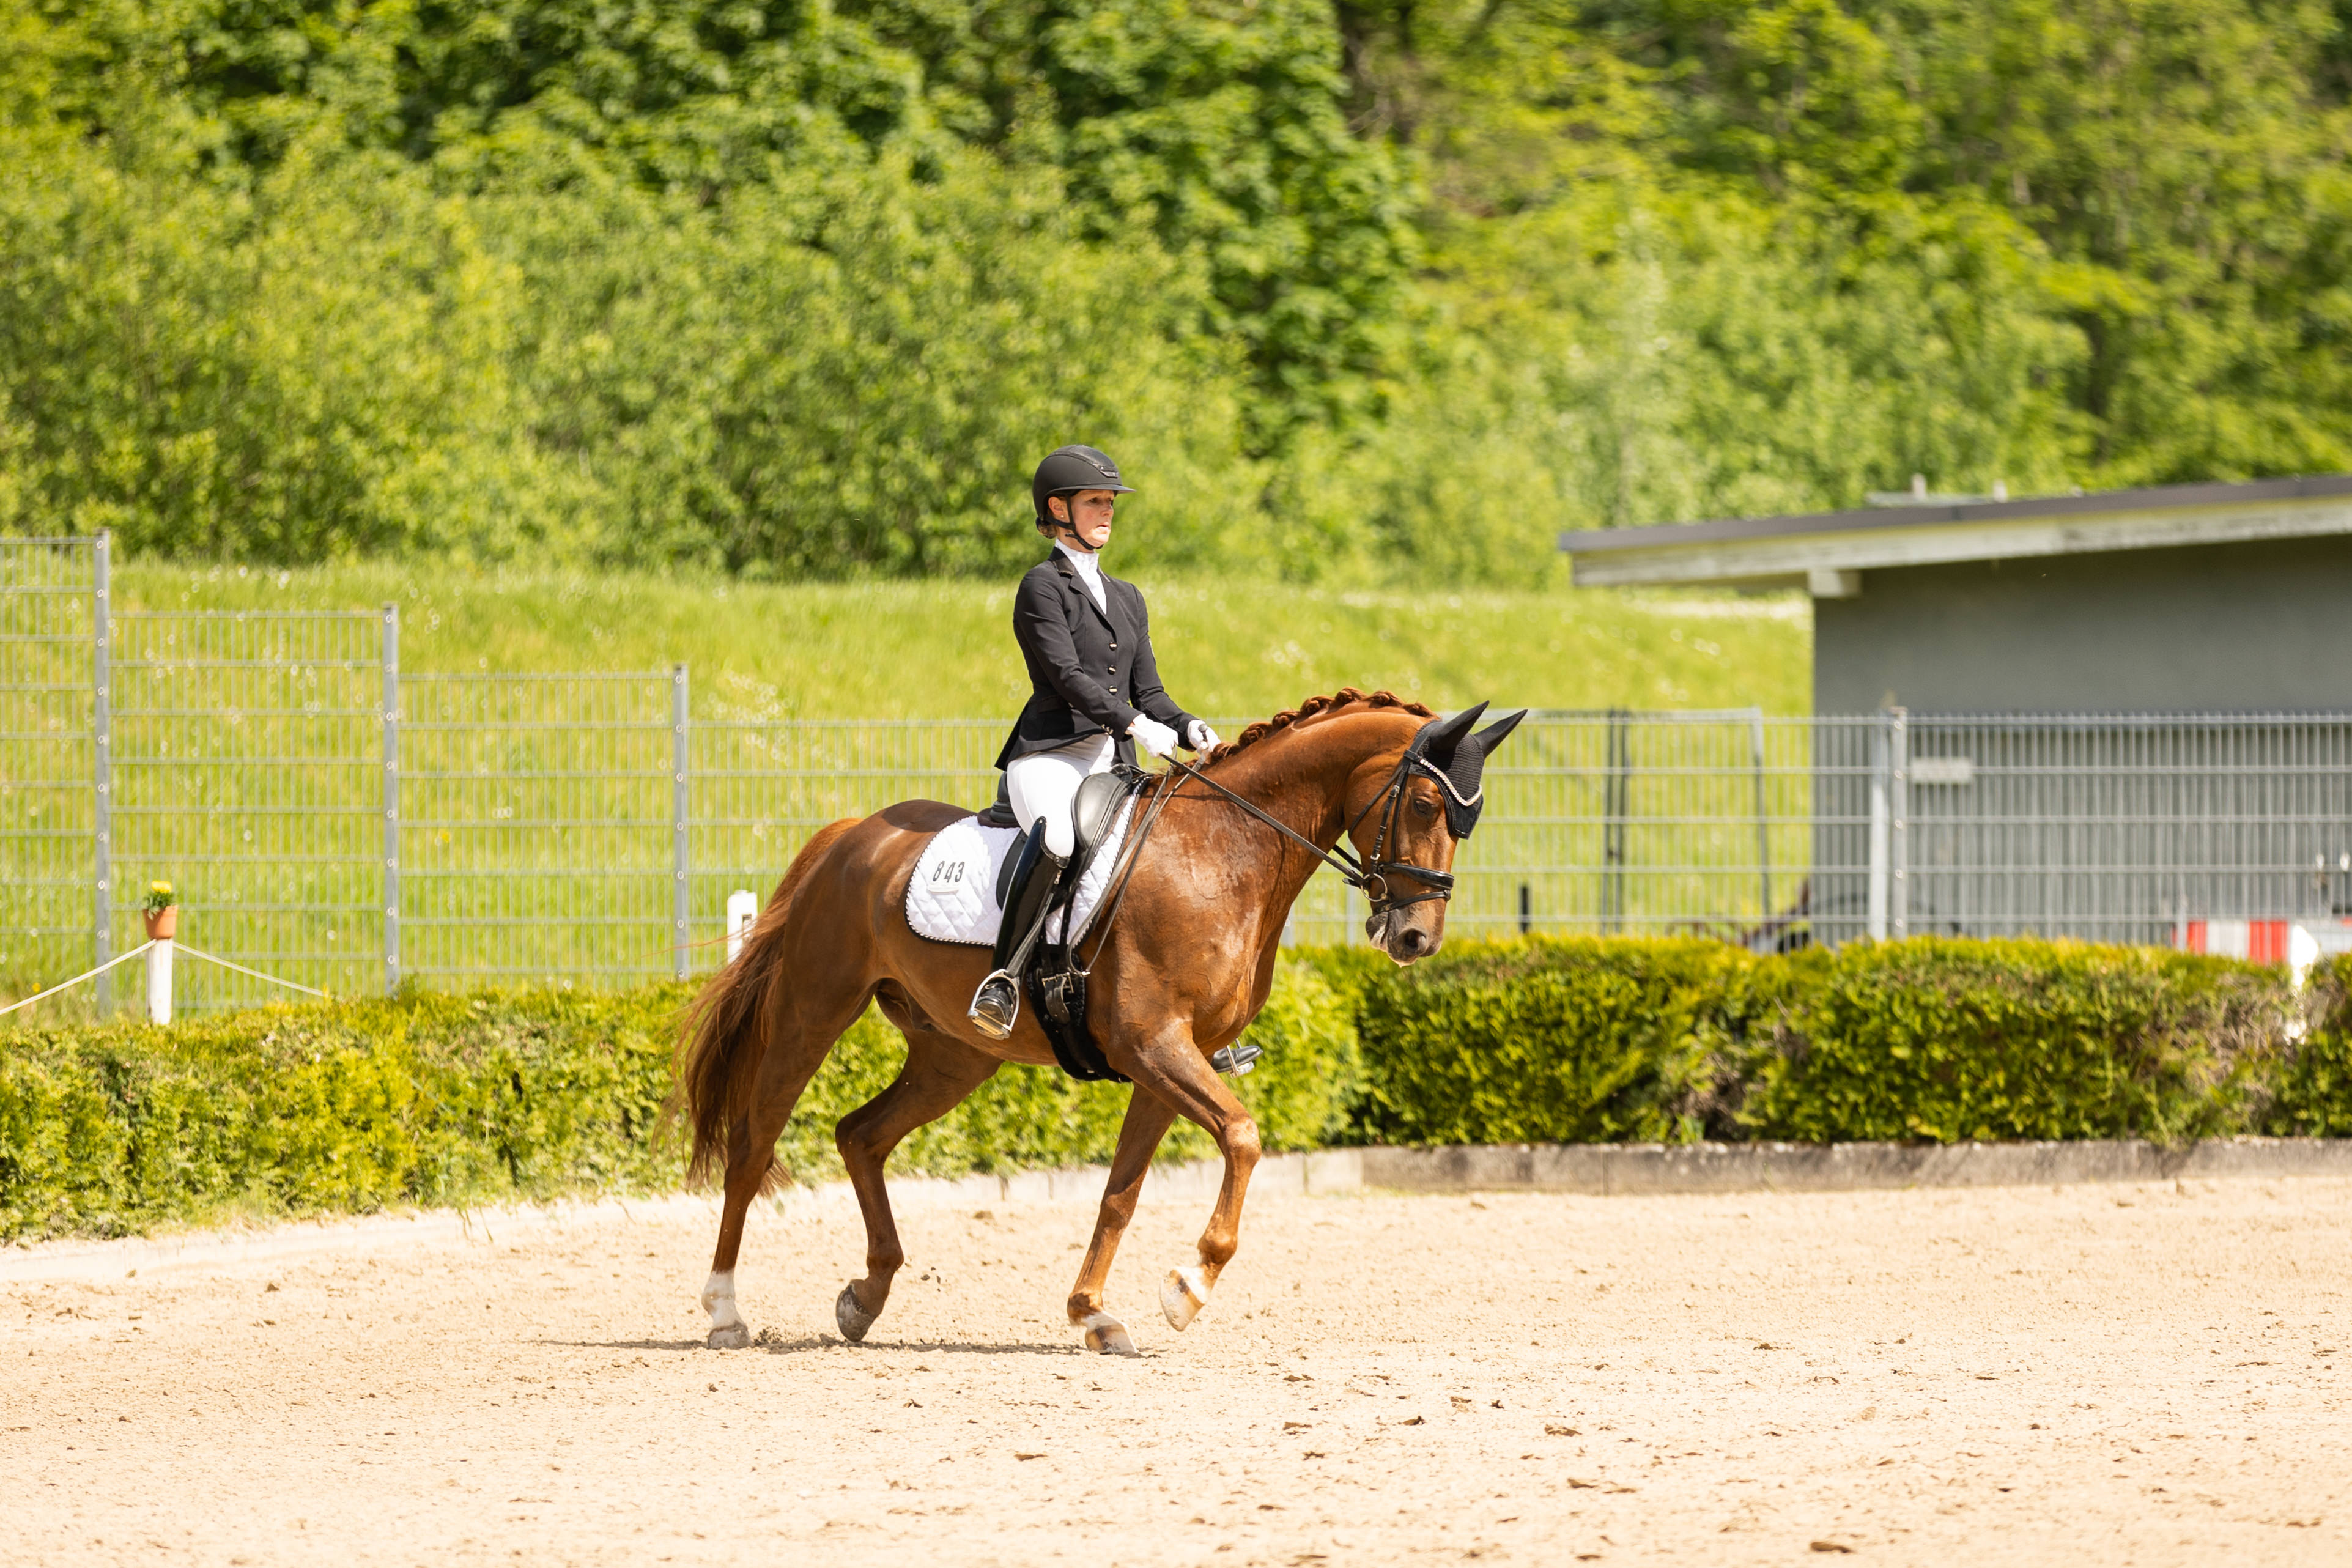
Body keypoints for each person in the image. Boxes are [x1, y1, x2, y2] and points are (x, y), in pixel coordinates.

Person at [967, 445, 1219, 1038]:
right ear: (1058, 508)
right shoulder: (1040, 587)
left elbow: (1149, 689)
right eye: (1094, 501)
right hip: (1052, 756)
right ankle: (1003, 978)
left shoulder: (1128, 595)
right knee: (1057, 836)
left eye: (1110, 501)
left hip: (1113, 762)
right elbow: (1070, 680)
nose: (1107, 511)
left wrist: (1187, 726)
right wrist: (1135, 723)